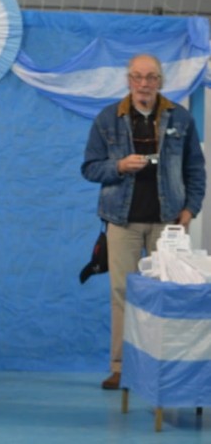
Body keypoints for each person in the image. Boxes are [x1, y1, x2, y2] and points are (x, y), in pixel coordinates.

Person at [81, 53, 205, 390]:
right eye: (137, 77)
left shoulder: (180, 118)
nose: (144, 84)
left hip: (168, 224)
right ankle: (121, 368)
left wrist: (190, 210)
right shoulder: (108, 119)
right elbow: (90, 168)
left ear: (161, 82)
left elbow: (196, 169)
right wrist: (119, 167)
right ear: (128, 80)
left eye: (151, 77)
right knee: (122, 293)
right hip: (121, 222)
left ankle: (162, 368)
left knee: (166, 296)